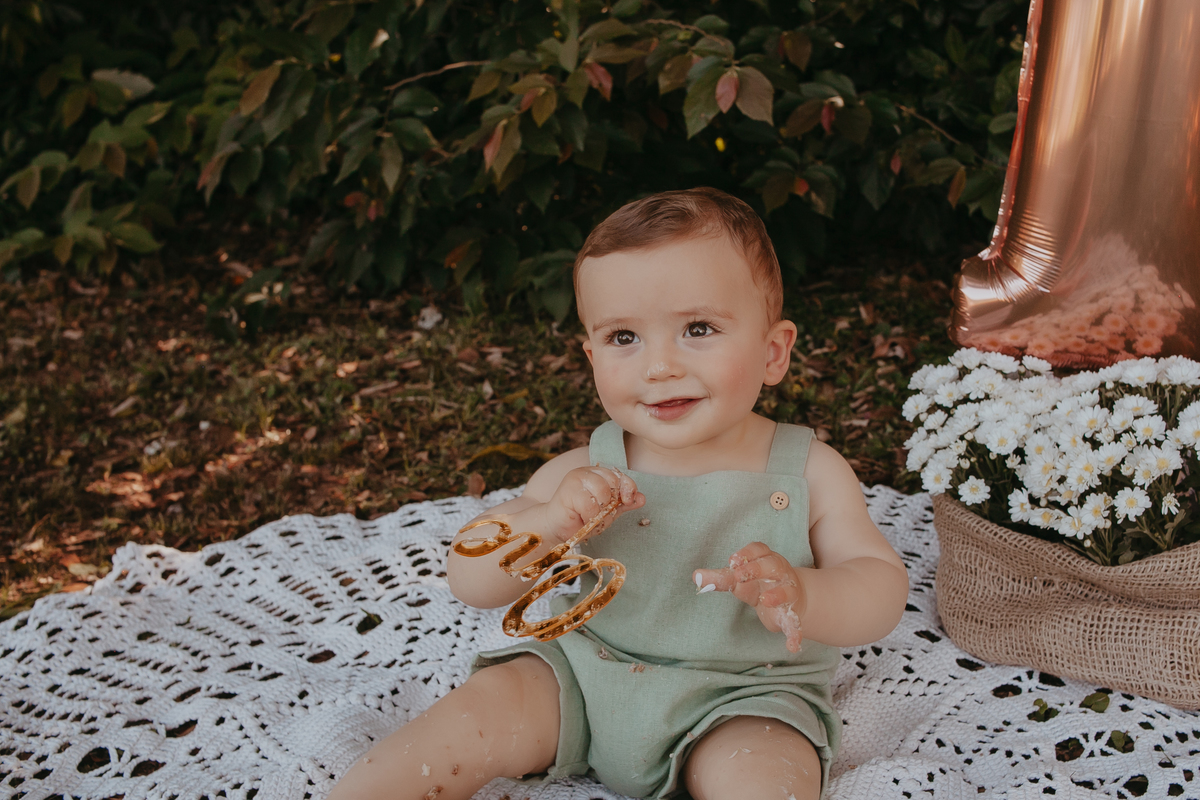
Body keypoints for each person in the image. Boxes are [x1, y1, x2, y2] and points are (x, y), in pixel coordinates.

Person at [328, 188, 909, 800]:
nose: (658, 366)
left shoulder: (808, 471)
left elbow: (878, 583)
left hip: (746, 696)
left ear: (773, 352)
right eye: (624, 338)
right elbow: (469, 578)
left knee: (762, 775)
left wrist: (806, 594)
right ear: (591, 356)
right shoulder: (585, 470)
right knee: (474, 716)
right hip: (580, 677)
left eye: (698, 329)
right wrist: (548, 524)